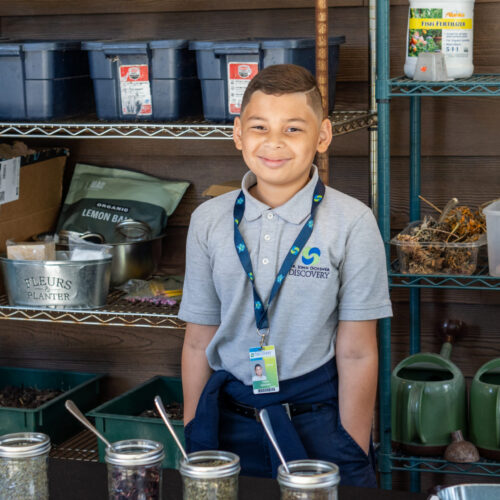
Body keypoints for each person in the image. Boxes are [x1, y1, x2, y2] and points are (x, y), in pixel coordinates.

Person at [178, 64, 392, 487]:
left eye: (293, 129)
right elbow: (198, 339)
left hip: (317, 420)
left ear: (323, 136)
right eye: (259, 127)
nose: (273, 143)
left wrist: (350, 442)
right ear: (239, 133)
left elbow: (358, 352)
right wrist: (193, 429)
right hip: (227, 419)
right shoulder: (207, 220)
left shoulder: (353, 222)